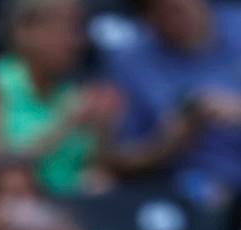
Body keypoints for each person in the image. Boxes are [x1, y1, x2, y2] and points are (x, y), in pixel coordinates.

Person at [0, 0, 122, 196]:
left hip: (60, 206)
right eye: (63, 29)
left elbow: (91, 169)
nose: (75, 42)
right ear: (25, 32)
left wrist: (104, 130)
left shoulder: (74, 96)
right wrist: (63, 125)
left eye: (79, 28)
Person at [102, 0, 241, 206]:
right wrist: (165, 144)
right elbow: (114, 160)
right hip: (192, 185)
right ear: (149, 19)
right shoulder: (129, 65)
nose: (187, 14)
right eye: (171, 10)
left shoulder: (237, 24)